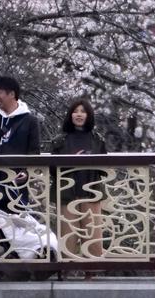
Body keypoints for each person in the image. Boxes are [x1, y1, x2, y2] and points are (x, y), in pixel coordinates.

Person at [0, 76, 42, 279]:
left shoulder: (30, 121)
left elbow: (33, 153)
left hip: (15, 183)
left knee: (15, 225)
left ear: (12, 94)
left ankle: (10, 269)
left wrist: (26, 172)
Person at [50, 99, 107, 264]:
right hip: (67, 193)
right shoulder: (60, 140)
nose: (79, 114)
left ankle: (92, 273)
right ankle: (66, 272)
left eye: (83, 111)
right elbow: (52, 168)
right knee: (67, 234)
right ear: (70, 115)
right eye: (76, 111)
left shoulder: (97, 139)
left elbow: (104, 167)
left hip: (91, 192)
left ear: (89, 115)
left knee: (93, 235)